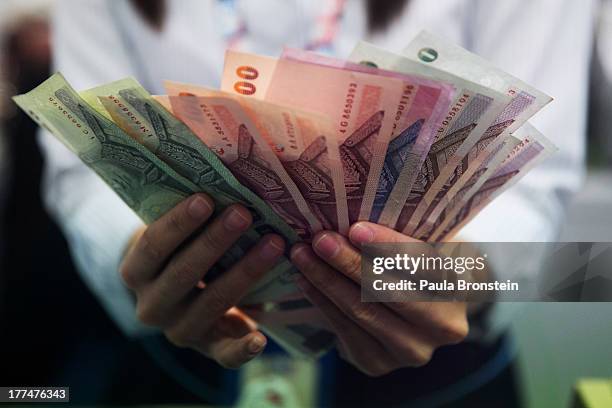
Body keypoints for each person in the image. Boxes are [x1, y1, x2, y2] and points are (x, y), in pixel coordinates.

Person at [39, 0, 595, 405]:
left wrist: (456, 276)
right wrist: (146, 256)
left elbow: (537, 179)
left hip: (440, 376)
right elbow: (79, 164)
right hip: (188, 362)